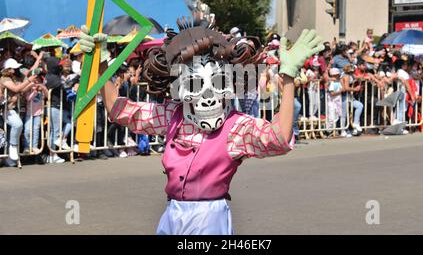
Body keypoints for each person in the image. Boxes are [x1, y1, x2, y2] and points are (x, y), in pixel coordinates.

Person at [79, 14, 324, 235]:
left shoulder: (236, 128)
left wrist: (289, 77)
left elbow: (279, 138)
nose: (208, 96)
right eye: (195, 85)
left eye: (218, 82)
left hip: (210, 218)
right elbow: (120, 111)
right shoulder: (172, 116)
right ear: (178, 88)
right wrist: (99, 63)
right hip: (172, 214)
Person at [0, 58, 38, 166]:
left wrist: (31, 84)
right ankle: (13, 146)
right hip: (6, 108)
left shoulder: (13, 77)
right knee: (17, 125)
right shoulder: (4, 78)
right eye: (14, 68)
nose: (17, 69)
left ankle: (9, 159)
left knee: (12, 131)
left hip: (13, 108)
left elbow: (21, 90)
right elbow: (16, 89)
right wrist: (29, 80)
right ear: (9, 69)